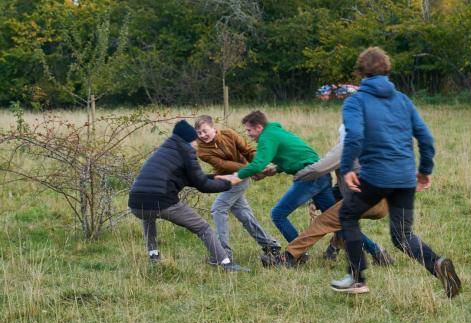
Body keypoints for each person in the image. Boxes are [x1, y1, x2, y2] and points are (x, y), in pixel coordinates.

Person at [330, 47, 461, 297]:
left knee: (347, 214)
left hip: (376, 175)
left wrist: (346, 168)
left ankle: (357, 278)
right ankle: (437, 264)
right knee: (402, 235)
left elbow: (354, 136)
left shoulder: (356, 101)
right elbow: (425, 137)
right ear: (387, 71)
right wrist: (424, 170)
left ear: (361, 73)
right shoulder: (402, 99)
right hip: (404, 177)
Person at [218, 111, 385, 266]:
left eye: (249, 130)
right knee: (338, 221)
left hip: (310, 177)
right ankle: (377, 252)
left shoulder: (267, 137)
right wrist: (276, 169)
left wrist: (236, 177)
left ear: (259, 127)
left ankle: (298, 255)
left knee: (278, 214)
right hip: (320, 177)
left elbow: (258, 163)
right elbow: (294, 155)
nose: (248, 134)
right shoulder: (276, 132)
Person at [128, 120, 249, 272]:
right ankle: (225, 263)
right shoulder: (186, 151)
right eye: (195, 140)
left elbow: (190, 178)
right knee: (203, 228)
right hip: (163, 201)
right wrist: (229, 183)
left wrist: (217, 177)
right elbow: (202, 185)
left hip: (135, 203)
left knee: (148, 216)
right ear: (189, 140)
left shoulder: (164, 151)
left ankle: (153, 256)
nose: (197, 144)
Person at [268, 124, 394, 267]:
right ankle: (375, 253)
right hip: (383, 203)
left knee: (322, 222)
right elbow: (344, 185)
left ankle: (288, 257)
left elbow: (318, 168)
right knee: (340, 220)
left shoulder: (346, 147)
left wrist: (299, 175)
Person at [194, 115, 281, 262]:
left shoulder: (229, 134)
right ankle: (270, 245)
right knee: (244, 215)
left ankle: (223, 254)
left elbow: (247, 151)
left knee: (218, 209)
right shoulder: (202, 150)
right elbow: (223, 165)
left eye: (205, 131)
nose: (202, 135)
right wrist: (252, 169)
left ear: (213, 127)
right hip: (227, 180)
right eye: (199, 133)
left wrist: (260, 163)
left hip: (240, 179)